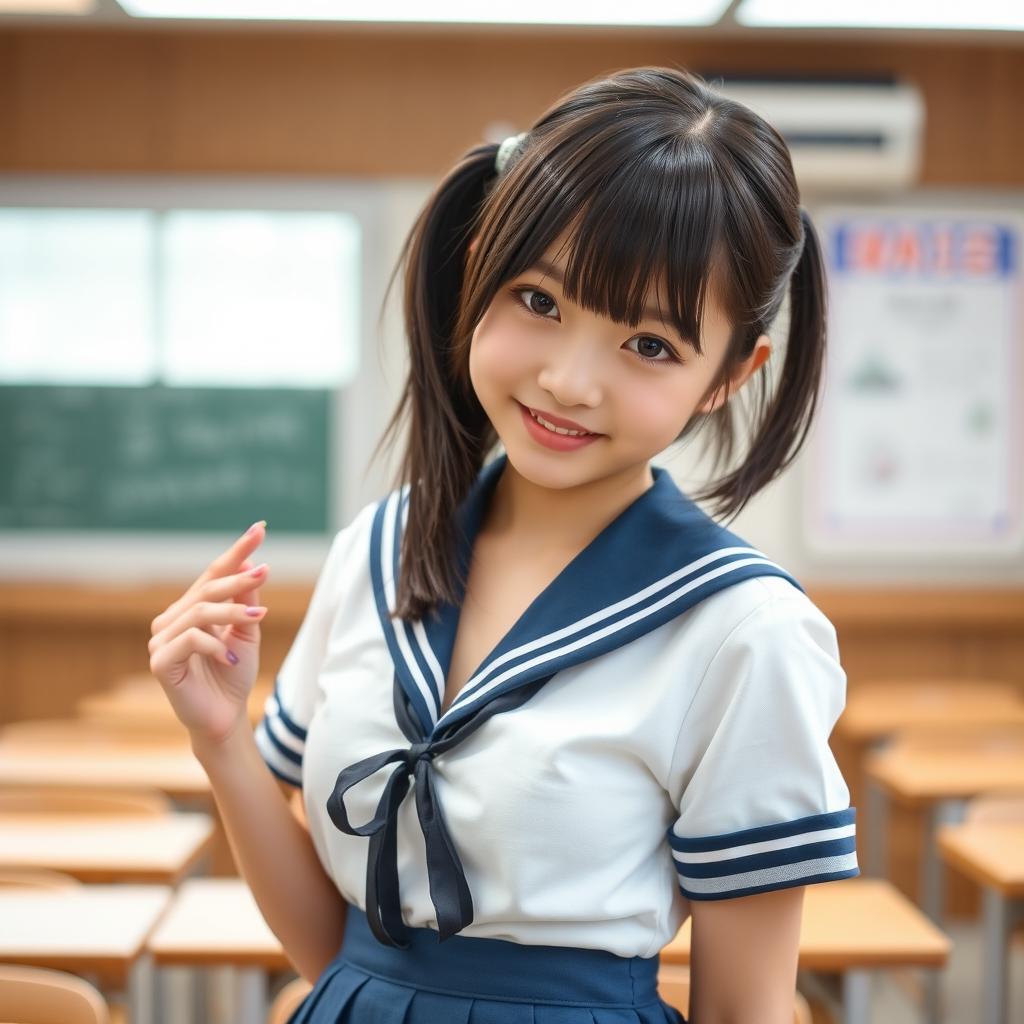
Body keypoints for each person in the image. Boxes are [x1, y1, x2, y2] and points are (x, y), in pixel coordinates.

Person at [148, 65, 859, 1024]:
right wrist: (223, 742)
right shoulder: (379, 548)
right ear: (482, 263)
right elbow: (337, 956)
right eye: (539, 301)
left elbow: (745, 1009)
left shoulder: (744, 631)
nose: (569, 380)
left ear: (732, 375)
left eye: (649, 345)